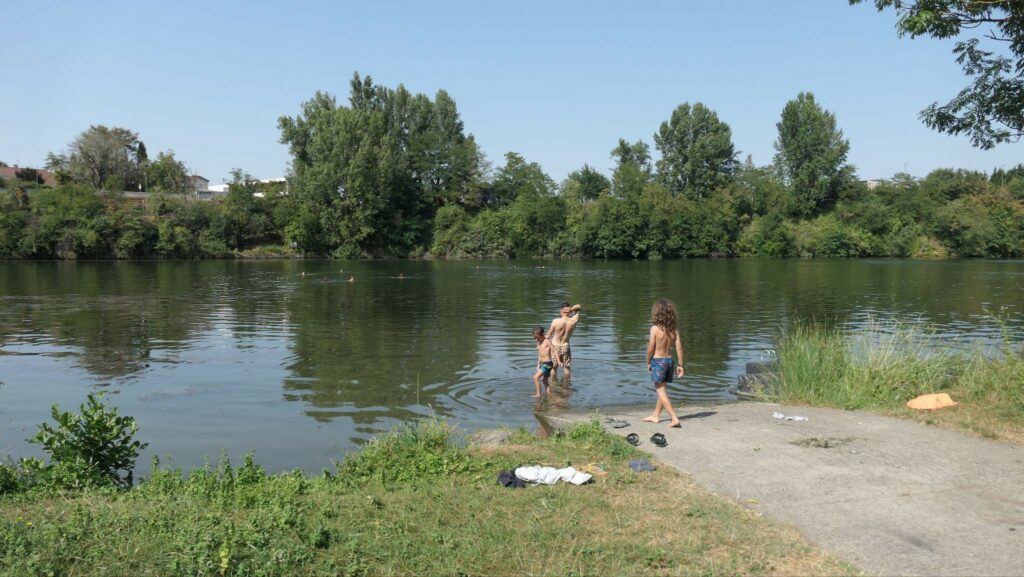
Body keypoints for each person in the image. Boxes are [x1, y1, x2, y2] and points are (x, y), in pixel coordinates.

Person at [643, 298, 685, 428]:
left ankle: (674, 418)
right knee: (662, 389)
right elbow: (679, 348)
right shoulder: (674, 331)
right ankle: (655, 415)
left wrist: (648, 361)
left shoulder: (655, 329)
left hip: (658, 361)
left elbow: (651, 348)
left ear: (656, 313)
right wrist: (680, 365)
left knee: (661, 392)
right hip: (669, 361)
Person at [547, 301, 582, 378]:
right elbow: (579, 306)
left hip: (555, 347)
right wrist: (571, 309)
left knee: (553, 367)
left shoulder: (556, 321)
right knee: (566, 367)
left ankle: (553, 383)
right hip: (565, 346)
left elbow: (549, 334)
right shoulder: (574, 320)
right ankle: (566, 384)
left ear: (561, 311)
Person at [532, 326, 555, 397]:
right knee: (544, 381)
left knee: (535, 378)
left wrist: (559, 360)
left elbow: (554, 350)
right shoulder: (538, 342)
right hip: (543, 363)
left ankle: (538, 394)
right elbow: (540, 353)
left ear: (540, 334)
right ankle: (550, 395)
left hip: (547, 363)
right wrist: (538, 364)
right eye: (534, 335)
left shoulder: (547, 341)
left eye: (536, 335)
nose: (535, 337)